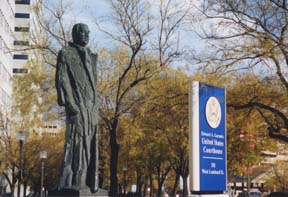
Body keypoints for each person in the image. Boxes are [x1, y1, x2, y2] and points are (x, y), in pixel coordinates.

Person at [55, 23, 98, 193]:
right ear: (75, 34)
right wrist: (70, 104)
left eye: (88, 33)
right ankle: (73, 179)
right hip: (77, 105)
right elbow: (62, 79)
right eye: (83, 32)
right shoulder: (66, 53)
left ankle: (89, 179)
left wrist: (95, 106)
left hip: (92, 108)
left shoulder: (92, 56)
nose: (86, 35)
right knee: (76, 141)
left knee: (90, 142)